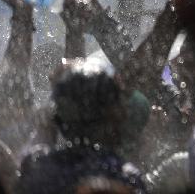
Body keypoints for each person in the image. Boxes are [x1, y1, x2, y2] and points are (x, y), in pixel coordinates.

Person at [16, 60, 147, 194]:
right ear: (110, 117)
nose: (124, 113)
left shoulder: (38, 167)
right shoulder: (125, 177)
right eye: (119, 105)